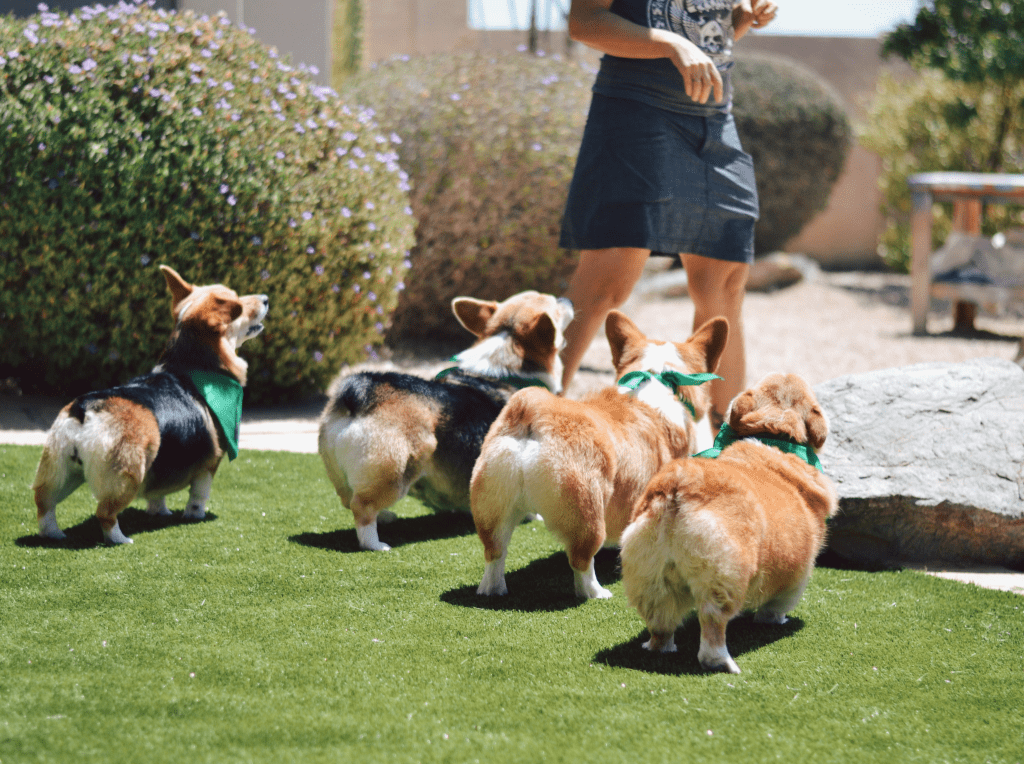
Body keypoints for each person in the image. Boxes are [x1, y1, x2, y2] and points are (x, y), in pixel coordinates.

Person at [559, 0, 778, 426]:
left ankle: (723, 443)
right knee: (608, 279)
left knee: (725, 281)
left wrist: (742, 21)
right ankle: (530, 419)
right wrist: (670, 44)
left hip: (714, 120)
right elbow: (585, 21)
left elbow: (705, 35)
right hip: (635, 108)